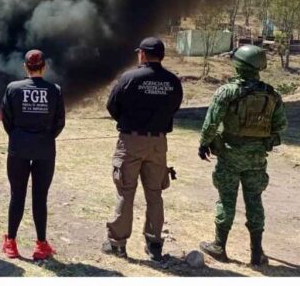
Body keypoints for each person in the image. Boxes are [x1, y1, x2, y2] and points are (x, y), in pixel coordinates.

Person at [198, 45, 287, 266]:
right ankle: (257, 253)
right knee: (254, 201)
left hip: (229, 155)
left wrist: (204, 144)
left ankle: (219, 246)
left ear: (238, 65)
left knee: (226, 200)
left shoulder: (227, 91)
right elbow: (281, 126)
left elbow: (211, 123)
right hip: (257, 158)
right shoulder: (272, 94)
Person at [102, 36, 183, 261]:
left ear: (143, 54)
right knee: (154, 194)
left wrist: (129, 122)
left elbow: (112, 105)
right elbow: (174, 106)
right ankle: (154, 244)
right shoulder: (172, 81)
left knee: (126, 192)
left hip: (131, 141)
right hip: (158, 143)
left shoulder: (130, 78)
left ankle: (117, 244)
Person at [1, 50, 66, 260]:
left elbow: (7, 119)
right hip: (45, 150)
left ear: (25, 67)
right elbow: (59, 121)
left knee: (17, 195)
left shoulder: (13, 88)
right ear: (44, 67)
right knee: (40, 197)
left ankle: (10, 242)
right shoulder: (54, 90)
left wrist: (18, 136)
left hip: (18, 149)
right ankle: (41, 245)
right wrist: (46, 137)